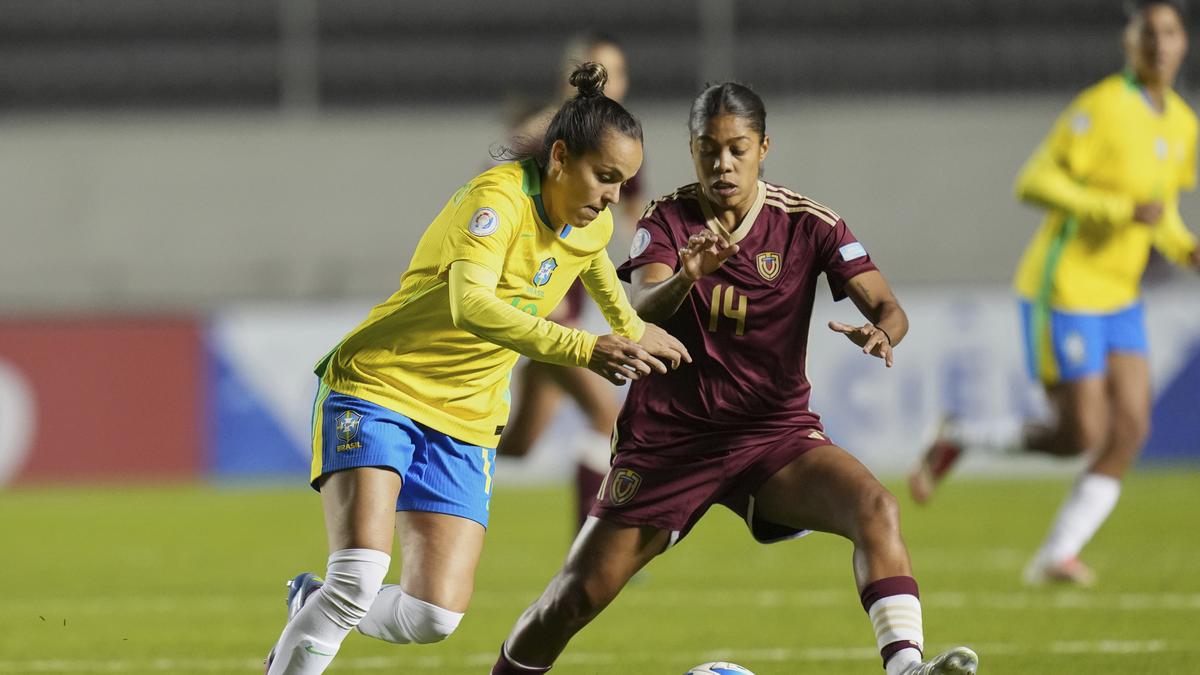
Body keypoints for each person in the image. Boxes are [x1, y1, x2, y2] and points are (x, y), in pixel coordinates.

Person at [490, 83, 978, 675]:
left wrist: (883, 333)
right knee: (572, 599)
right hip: (670, 443)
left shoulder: (809, 225)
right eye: (707, 149)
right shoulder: (667, 218)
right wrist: (688, 275)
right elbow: (642, 306)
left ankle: (906, 668)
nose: (722, 164)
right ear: (693, 151)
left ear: (763, 147)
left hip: (772, 437)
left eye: (737, 149)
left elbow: (888, 308)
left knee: (875, 507)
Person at [262, 63, 691, 674]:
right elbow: (472, 306)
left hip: (466, 417)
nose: (612, 198)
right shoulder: (498, 199)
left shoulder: (589, 226)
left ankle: (313, 602)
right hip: (382, 385)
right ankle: (324, 612)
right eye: (604, 177)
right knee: (358, 578)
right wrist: (586, 350)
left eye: (622, 183)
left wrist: (654, 328)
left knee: (431, 616)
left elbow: (616, 302)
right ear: (561, 158)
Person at [908, 0, 1200, 587]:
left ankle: (1057, 553)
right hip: (1065, 287)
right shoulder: (1100, 108)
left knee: (1133, 428)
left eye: (1170, 32)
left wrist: (1185, 247)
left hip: (1120, 294)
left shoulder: (1182, 123)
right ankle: (962, 434)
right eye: (1150, 33)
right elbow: (1034, 180)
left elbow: (1158, 210)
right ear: (1130, 43)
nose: (1161, 44)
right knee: (1080, 434)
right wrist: (1113, 207)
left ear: (1184, 43)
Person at [498, 32, 646, 532]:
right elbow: (495, 203)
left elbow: (628, 221)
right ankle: (589, 549)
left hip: (568, 311)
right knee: (607, 417)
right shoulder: (544, 139)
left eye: (616, 73)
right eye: (598, 72)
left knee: (518, 444)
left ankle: (414, 454)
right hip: (540, 308)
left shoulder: (617, 144)